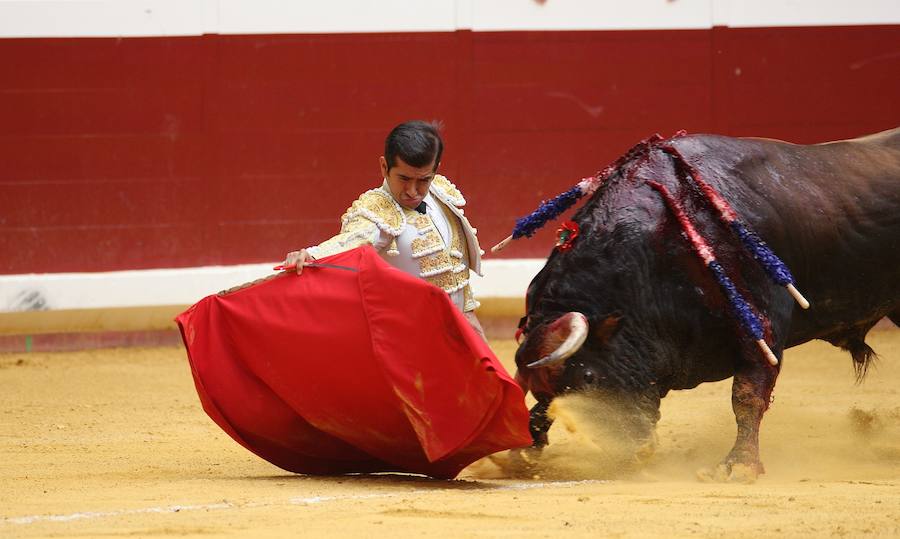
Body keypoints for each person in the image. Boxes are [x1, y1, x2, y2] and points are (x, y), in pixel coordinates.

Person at [282, 120, 486, 339]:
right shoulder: (376, 211)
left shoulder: (441, 194)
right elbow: (352, 240)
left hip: (463, 329)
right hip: (411, 339)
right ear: (384, 167)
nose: (412, 191)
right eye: (404, 178)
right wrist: (312, 255)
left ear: (435, 170)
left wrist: (471, 323)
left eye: (423, 180)